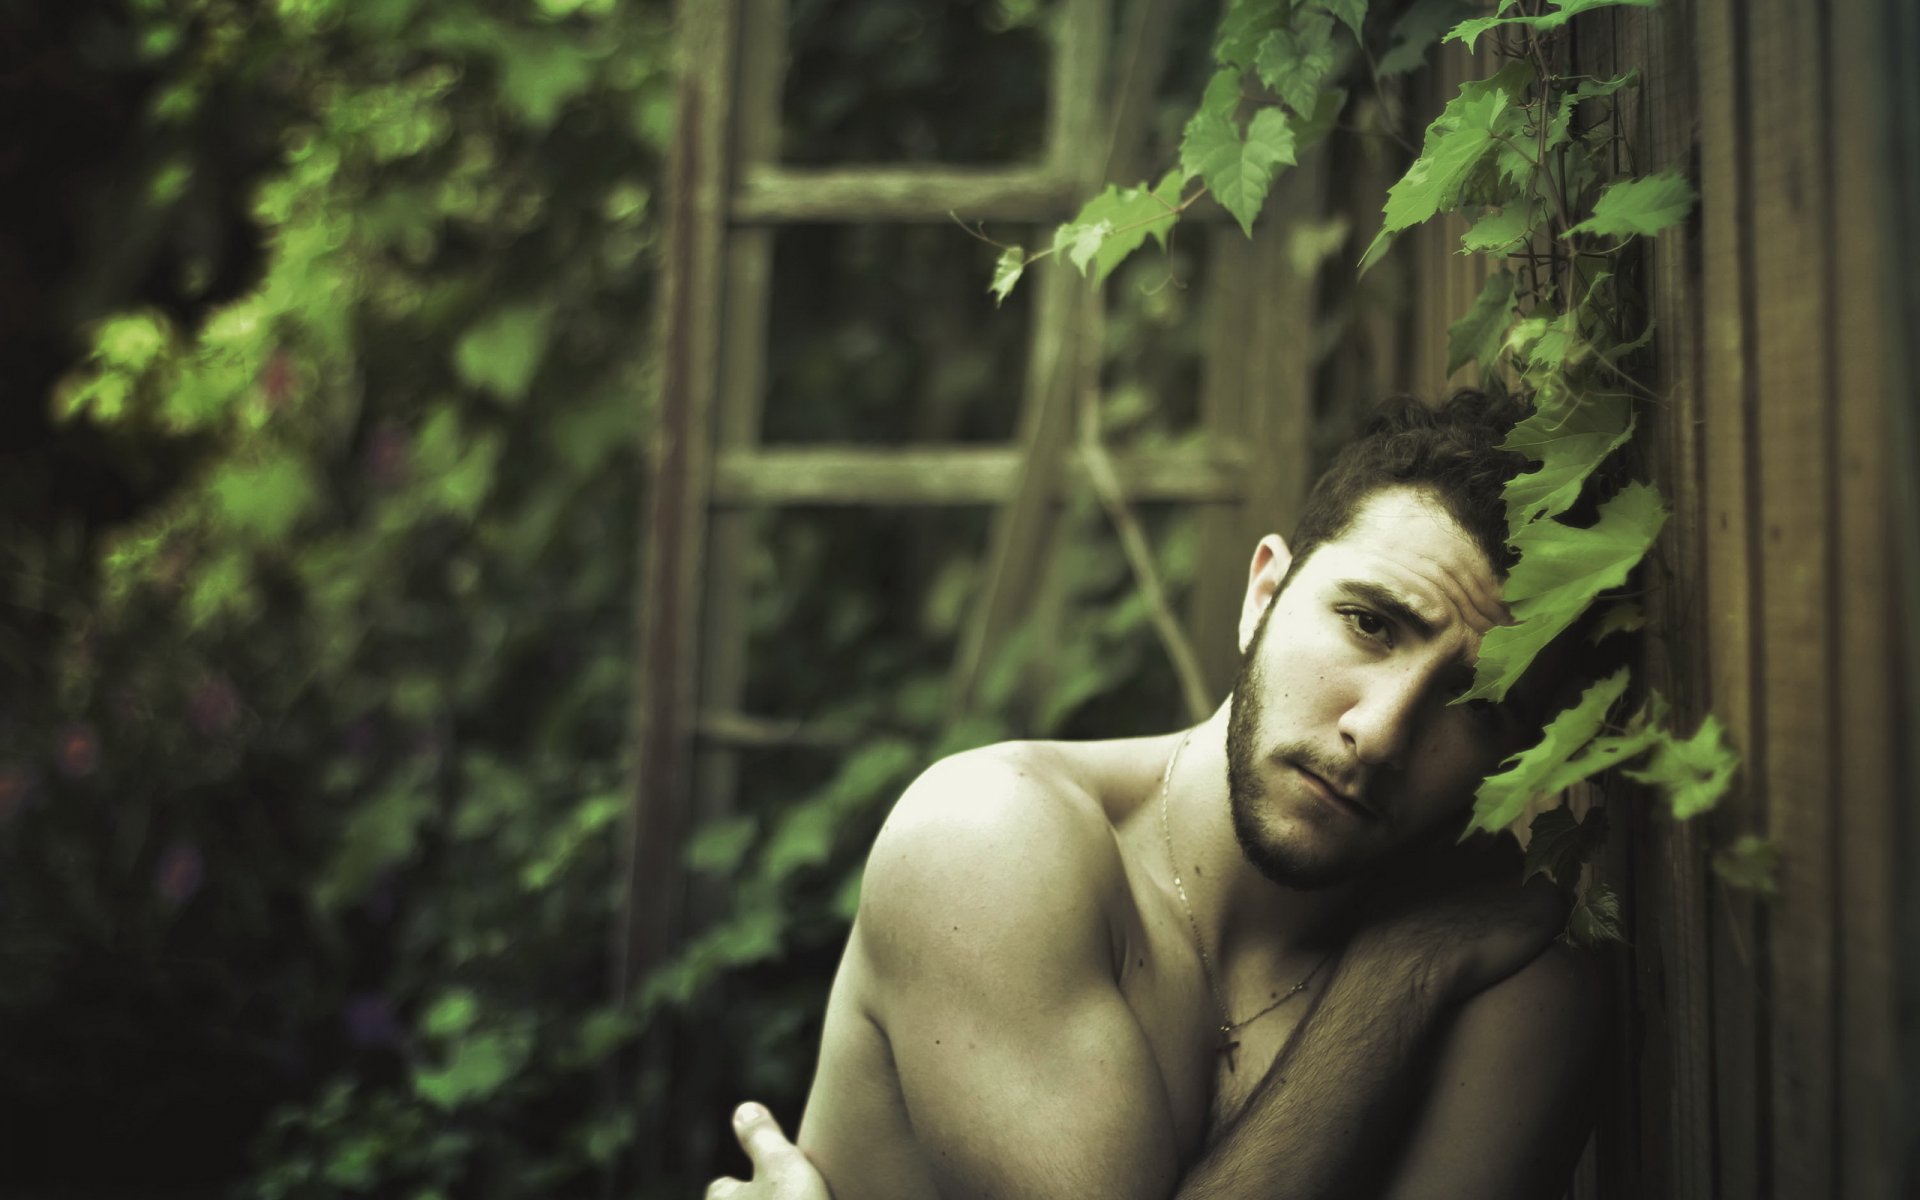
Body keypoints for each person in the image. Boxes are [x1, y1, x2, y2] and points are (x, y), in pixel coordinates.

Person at [706, 391, 1606, 1200]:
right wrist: (1395, 981)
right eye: (1370, 624)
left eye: (1478, 704)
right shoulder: (989, 840)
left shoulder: (1512, 995)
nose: (1379, 733)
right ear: (1263, 593)